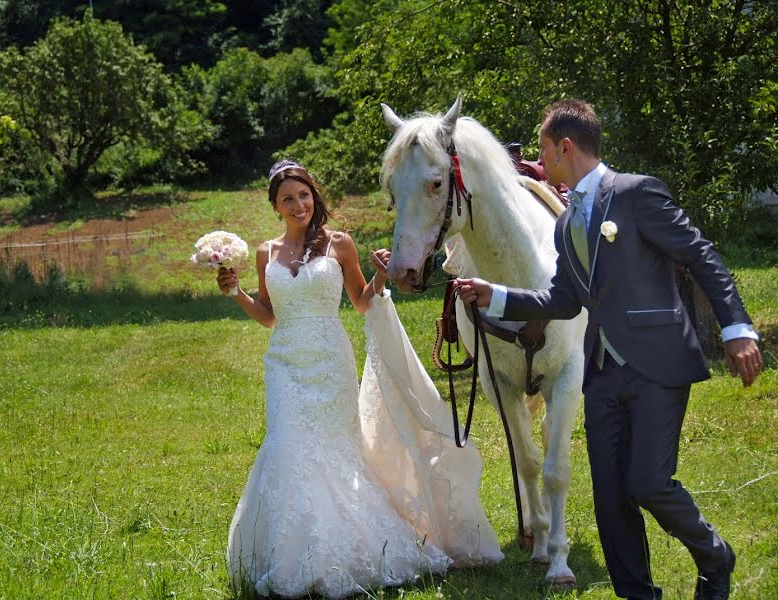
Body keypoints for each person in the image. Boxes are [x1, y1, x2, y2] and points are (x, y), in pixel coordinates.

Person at [454, 100, 762, 600]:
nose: (540, 159)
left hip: (657, 363)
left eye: (543, 150)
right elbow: (563, 299)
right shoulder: (564, 220)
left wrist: (737, 329)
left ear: (564, 147)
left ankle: (713, 554)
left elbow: (698, 252)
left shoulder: (637, 193)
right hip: (599, 372)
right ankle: (637, 593)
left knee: (649, 483)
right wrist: (497, 295)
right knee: (610, 498)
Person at [218, 160, 502, 598]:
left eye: (304, 195)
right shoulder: (266, 253)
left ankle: (345, 551)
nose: (299, 205)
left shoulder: (339, 244)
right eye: (288, 199)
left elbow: (363, 303)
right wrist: (237, 294)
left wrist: (380, 277)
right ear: (275, 206)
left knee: (334, 452)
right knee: (287, 446)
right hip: (284, 366)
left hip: (330, 364)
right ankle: (289, 555)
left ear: (315, 196)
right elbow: (270, 316)